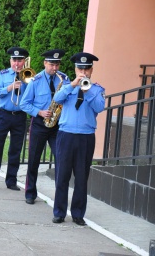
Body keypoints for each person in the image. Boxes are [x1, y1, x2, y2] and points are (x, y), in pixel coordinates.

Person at [52, 52, 105, 225]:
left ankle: (78, 214)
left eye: (86, 68)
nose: (83, 71)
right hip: (66, 135)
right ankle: (59, 212)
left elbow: (99, 107)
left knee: (81, 178)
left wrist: (87, 91)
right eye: (80, 68)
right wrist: (73, 86)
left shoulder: (97, 90)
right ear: (75, 69)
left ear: (91, 70)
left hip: (85, 137)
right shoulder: (67, 86)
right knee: (62, 176)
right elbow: (57, 98)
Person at [20, 49, 70, 205]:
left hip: (57, 126)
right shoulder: (36, 80)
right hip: (39, 125)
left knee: (61, 160)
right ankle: (30, 192)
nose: (54, 68)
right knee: (34, 160)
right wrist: (39, 112)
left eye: (57, 64)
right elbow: (24, 103)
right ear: (45, 63)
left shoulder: (64, 79)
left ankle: (60, 197)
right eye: (51, 64)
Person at [0, 47, 29, 191]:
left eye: (20, 60)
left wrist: (26, 83)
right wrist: (10, 87)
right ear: (10, 61)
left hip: (19, 115)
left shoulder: (28, 76)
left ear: (24, 62)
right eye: (14, 60)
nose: (17, 63)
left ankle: (11, 180)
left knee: (15, 149)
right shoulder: (2, 75)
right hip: (3, 114)